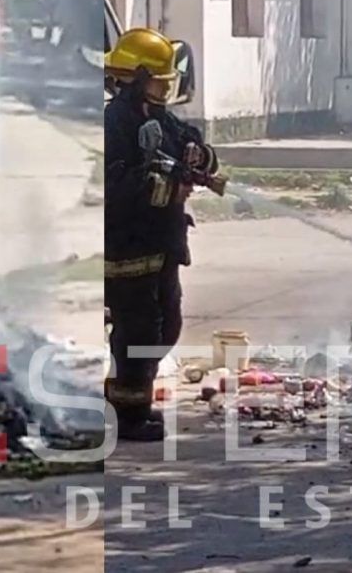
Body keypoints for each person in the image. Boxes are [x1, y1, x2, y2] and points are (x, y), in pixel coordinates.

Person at [103, 27, 219, 441]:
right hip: (128, 248)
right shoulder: (113, 123)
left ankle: (123, 398)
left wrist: (198, 155)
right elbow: (113, 185)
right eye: (159, 81)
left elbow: (190, 142)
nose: (166, 90)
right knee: (138, 333)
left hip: (162, 244)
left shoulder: (158, 117)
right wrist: (164, 186)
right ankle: (128, 415)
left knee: (167, 326)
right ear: (137, 78)